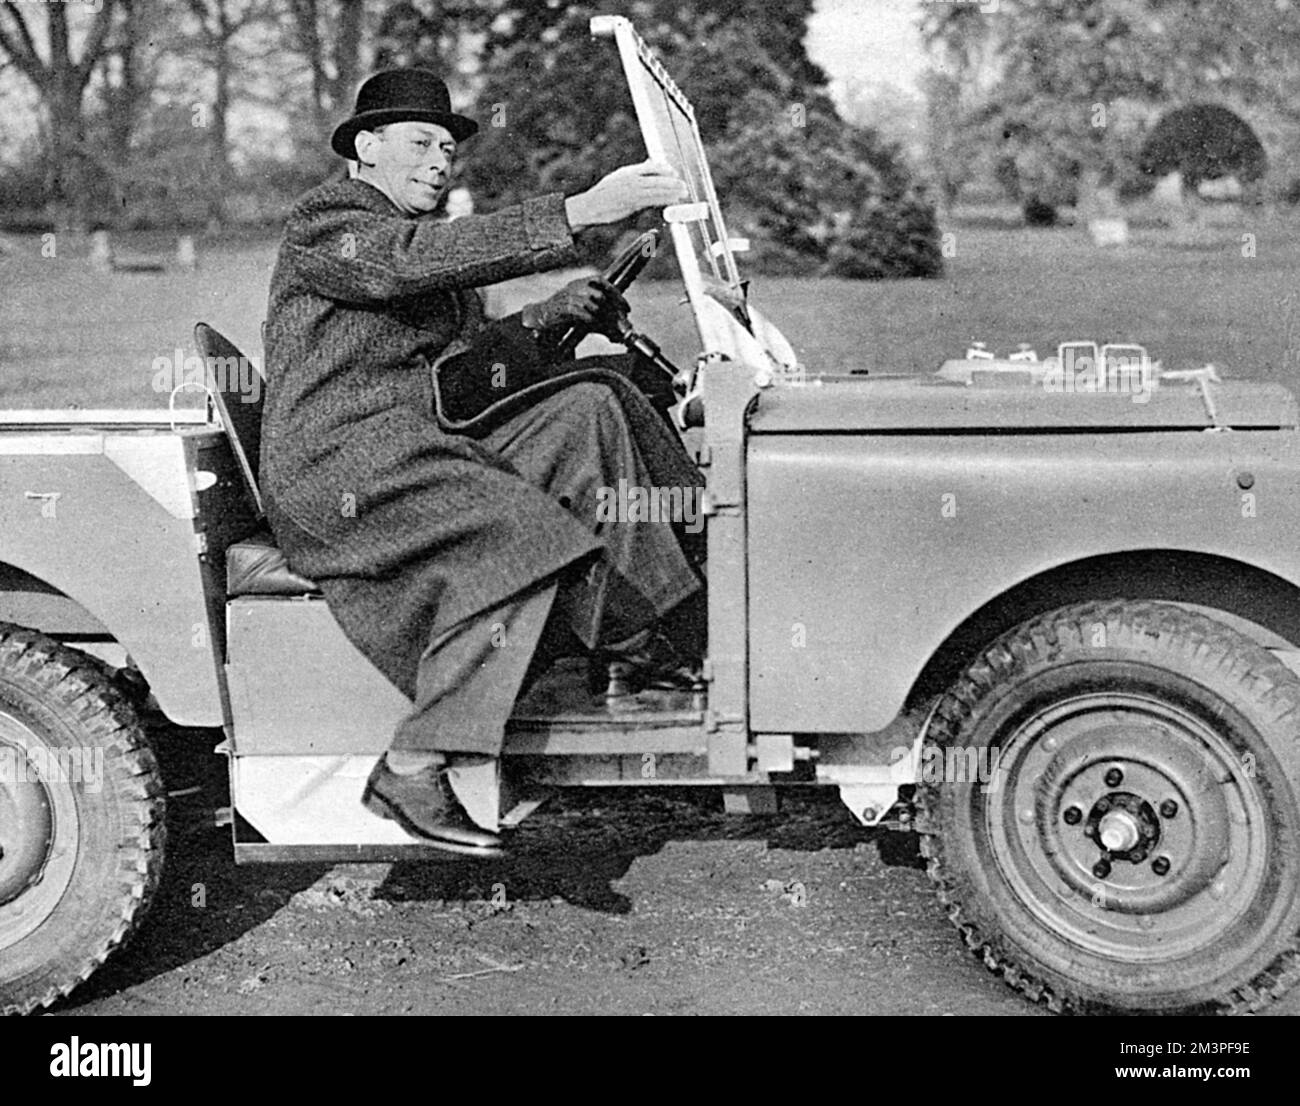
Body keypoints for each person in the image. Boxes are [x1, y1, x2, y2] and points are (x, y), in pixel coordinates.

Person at [260, 68, 706, 857]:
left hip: (421, 445)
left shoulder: (426, 259)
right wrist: (579, 212)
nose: (440, 160)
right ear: (366, 147)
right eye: (422, 143)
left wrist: (545, 316)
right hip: (345, 469)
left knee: (590, 406)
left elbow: (463, 378)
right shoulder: (332, 222)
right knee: (516, 533)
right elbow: (405, 262)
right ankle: (415, 761)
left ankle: (660, 640)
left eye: (447, 147)